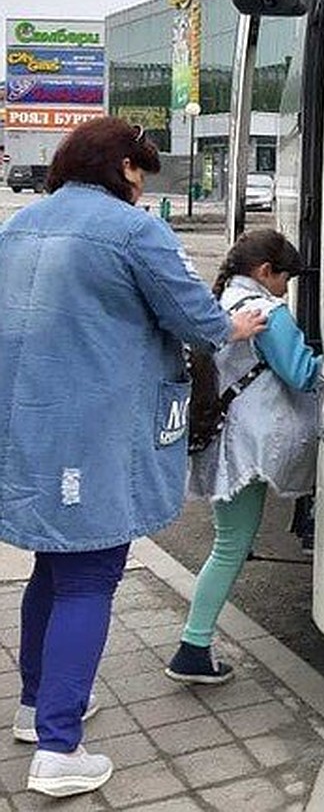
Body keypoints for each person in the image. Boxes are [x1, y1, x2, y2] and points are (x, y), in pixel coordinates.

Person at [0, 117, 266, 799]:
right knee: (91, 577)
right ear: (123, 167)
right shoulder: (133, 230)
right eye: (142, 172)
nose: (143, 187)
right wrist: (234, 325)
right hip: (92, 435)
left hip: (27, 430)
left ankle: (39, 710)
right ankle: (60, 751)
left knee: (53, 572)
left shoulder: (21, 226)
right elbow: (197, 322)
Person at [166, 228, 321, 685]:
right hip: (246, 448)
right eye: (284, 280)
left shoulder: (222, 303)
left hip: (224, 440)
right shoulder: (266, 312)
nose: (286, 289)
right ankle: (192, 648)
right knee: (231, 546)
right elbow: (302, 374)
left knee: (230, 542)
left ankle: (195, 645)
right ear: (264, 272)